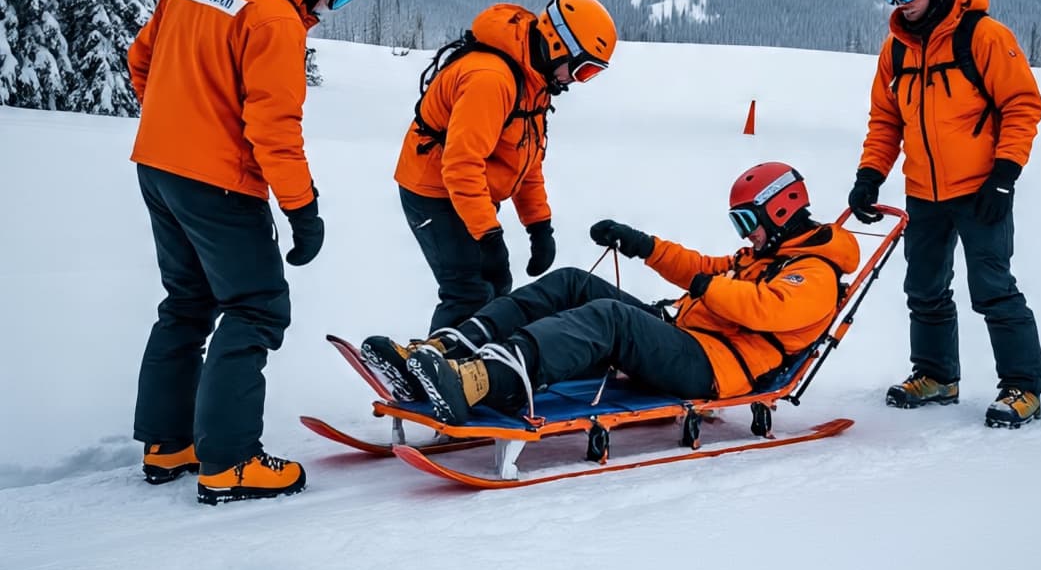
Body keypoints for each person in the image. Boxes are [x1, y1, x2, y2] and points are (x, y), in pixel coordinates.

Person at [128, 0, 364, 503]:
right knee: (255, 307)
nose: (329, 5)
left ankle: (168, 444)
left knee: (186, 301)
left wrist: (177, 126)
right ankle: (230, 462)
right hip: (219, 184)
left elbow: (142, 64)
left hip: (157, 168)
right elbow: (274, 130)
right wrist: (302, 209)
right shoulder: (274, 18)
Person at [359, 161, 861, 423]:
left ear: (780, 209)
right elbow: (706, 268)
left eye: (746, 221)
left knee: (608, 319)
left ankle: (476, 382)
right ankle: (444, 351)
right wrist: (643, 245)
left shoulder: (814, 274)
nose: (742, 233)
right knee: (573, 282)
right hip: (685, 339)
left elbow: (761, 310)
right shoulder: (765, 257)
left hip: (713, 368)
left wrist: (707, 285)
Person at [848, 0, 1041, 429]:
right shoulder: (896, 50)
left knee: (993, 289)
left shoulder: (984, 37)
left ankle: (1023, 387)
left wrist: (1005, 175)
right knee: (924, 288)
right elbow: (886, 121)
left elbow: (1022, 105)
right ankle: (937, 376)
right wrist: (870, 176)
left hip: (982, 189)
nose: (898, 4)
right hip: (925, 192)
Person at [393, 0, 616, 333]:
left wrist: (539, 226)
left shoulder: (535, 80)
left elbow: (525, 159)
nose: (577, 80)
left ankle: (482, 371)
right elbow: (461, 164)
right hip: (433, 189)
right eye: (582, 70)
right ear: (559, 45)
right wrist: (488, 237)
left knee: (498, 292)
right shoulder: (491, 79)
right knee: (468, 293)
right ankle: (437, 371)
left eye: (590, 74)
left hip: (469, 192)